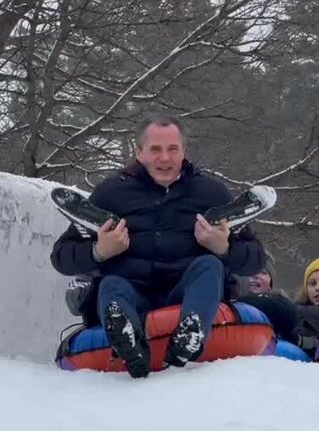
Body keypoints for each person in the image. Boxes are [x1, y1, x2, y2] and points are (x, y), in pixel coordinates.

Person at [50, 116, 266, 378]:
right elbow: (61, 257)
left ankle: (192, 333)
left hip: (187, 290)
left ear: (184, 151)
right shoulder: (110, 195)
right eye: (155, 149)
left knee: (210, 266)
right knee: (110, 286)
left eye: (172, 149)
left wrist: (224, 248)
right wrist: (99, 251)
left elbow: (256, 260)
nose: (165, 158)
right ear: (139, 152)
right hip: (133, 290)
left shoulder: (211, 194)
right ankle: (128, 341)